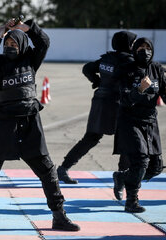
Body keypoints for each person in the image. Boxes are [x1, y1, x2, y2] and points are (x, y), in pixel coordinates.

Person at [0, 19, 79, 231]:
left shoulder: (31, 60)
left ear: (23, 45)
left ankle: (58, 216)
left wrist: (27, 27)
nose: (10, 47)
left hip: (30, 123)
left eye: (14, 44)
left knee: (48, 172)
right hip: (3, 124)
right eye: (7, 44)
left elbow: (43, 42)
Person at [57, 31, 137, 184]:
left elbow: (87, 68)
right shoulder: (128, 62)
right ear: (127, 44)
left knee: (91, 137)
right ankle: (122, 176)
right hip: (117, 104)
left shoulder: (107, 58)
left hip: (100, 100)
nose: (134, 46)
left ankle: (63, 168)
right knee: (127, 140)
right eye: (133, 43)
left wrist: (97, 81)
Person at [112, 37, 166, 212]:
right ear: (135, 50)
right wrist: (139, 89)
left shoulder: (156, 69)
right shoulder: (126, 70)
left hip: (150, 121)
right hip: (130, 120)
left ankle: (122, 177)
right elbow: (125, 99)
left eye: (147, 47)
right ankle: (131, 201)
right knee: (140, 162)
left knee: (155, 167)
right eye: (140, 47)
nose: (144, 50)